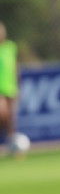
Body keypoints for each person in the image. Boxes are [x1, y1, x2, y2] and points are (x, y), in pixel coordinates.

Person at [0, 21, 19, 152]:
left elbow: (15, 67)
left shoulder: (11, 47)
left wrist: (18, 85)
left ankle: (12, 145)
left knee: (11, 119)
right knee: (2, 113)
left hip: (10, 87)